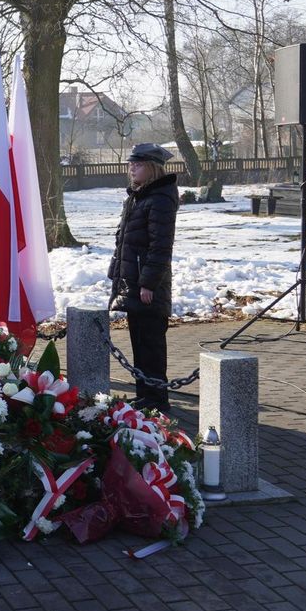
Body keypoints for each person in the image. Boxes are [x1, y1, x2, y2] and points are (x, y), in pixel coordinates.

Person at [107, 143, 180, 414]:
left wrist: (149, 283)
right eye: (131, 165)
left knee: (151, 344)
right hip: (133, 281)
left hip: (148, 285)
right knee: (139, 341)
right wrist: (116, 274)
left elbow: (160, 246)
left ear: (152, 167)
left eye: (137, 165)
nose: (132, 169)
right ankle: (144, 395)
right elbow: (125, 241)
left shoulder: (160, 199)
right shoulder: (138, 197)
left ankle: (157, 399)